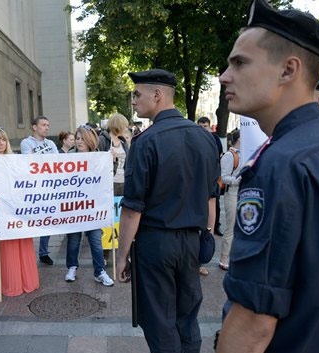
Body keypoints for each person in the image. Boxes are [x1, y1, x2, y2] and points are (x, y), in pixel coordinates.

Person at [216, 1, 319, 352]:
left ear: (288, 70)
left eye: (240, 62)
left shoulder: (280, 164)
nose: (224, 75)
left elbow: (253, 322)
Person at [116, 69, 219, 353]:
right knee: (187, 317)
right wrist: (206, 236)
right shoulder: (206, 138)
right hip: (191, 241)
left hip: (156, 244)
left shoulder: (145, 141)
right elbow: (212, 198)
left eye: (137, 94)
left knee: (160, 322)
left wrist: (122, 256)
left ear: (157, 95)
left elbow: (132, 208)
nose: (133, 101)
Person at [0, 127, 40, 296]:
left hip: (16, 212)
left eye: (3, 139)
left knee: (19, 245)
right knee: (2, 249)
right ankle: (6, 282)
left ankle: (24, 280)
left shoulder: (17, 161)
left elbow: (28, 183)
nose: (1, 143)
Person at [64, 125, 114, 287]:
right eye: (77, 138)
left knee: (95, 241)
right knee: (73, 240)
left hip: (93, 207)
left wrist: (112, 162)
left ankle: (100, 272)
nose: (79, 141)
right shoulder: (68, 156)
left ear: (90, 140)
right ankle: (72, 267)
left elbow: (107, 179)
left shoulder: (99, 157)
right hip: (74, 206)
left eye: (82, 138)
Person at [20, 116, 59, 265]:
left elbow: (56, 162)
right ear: (34, 127)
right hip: (34, 188)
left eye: (48, 125)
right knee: (30, 219)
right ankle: (27, 252)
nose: (47, 127)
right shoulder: (26, 143)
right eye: (43, 125)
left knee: (47, 220)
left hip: (49, 187)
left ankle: (43, 252)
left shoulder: (51, 144)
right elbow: (29, 163)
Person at [218, 129, 241, 271]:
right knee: (231, 227)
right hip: (232, 194)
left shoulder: (250, 152)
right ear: (239, 139)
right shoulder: (229, 155)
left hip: (245, 194)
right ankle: (224, 258)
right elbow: (224, 177)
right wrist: (238, 180)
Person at [196, 116, 223, 238]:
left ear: (209, 126)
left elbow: (220, 154)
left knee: (214, 202)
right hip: (198, 175)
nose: (202, 128)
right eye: (200, 126)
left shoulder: (215, 138)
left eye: (205, 126)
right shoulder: (194, 138)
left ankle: (214, 228)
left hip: (212, 174)